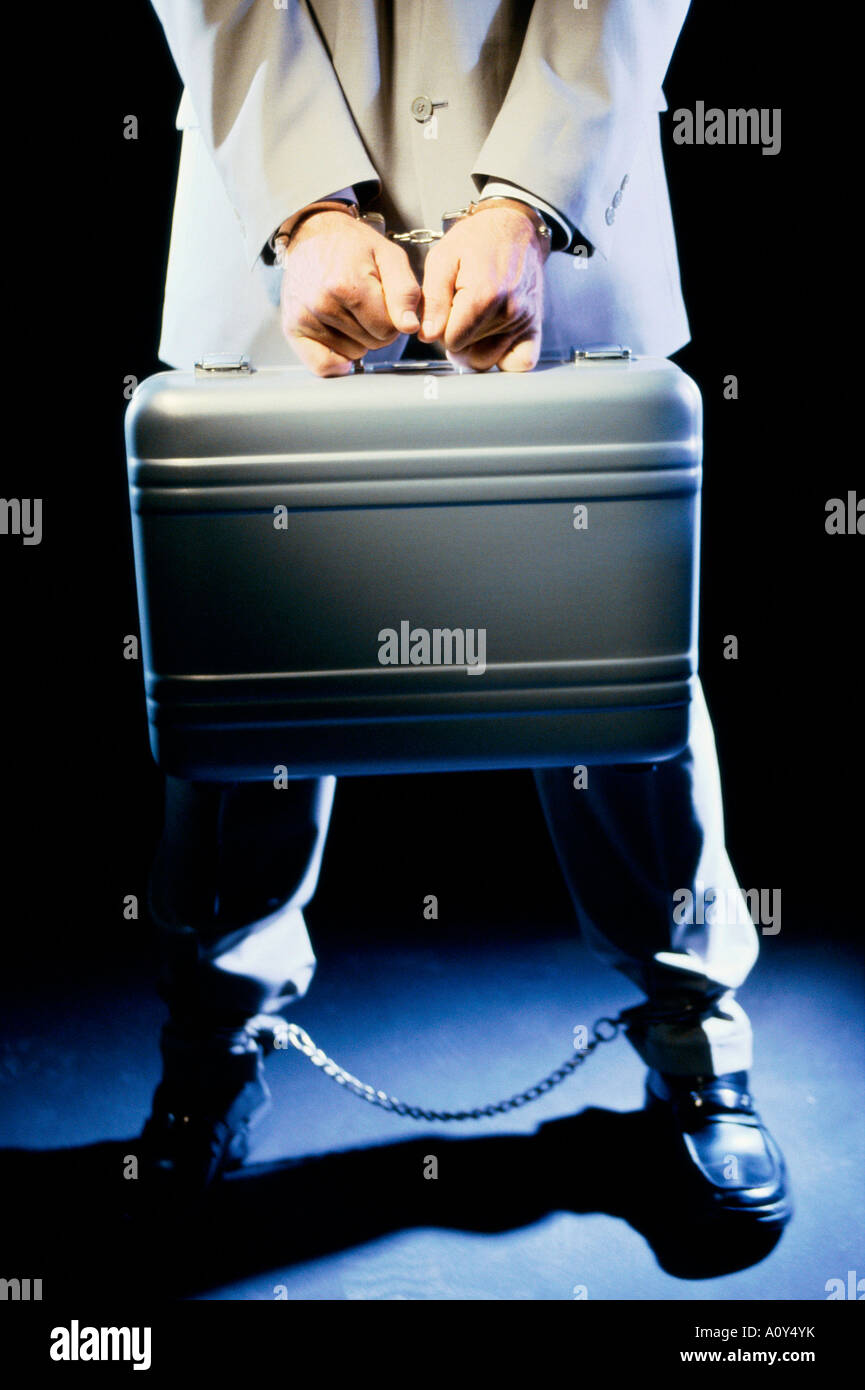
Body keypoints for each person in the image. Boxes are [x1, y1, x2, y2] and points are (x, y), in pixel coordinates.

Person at [140, 0, 791, 1229]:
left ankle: (697, 1033)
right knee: (248, 665)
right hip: (276, 232)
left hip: (563, 223)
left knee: (615, 660)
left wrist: (536, 191)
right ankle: (214, 1037)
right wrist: (301, 198)